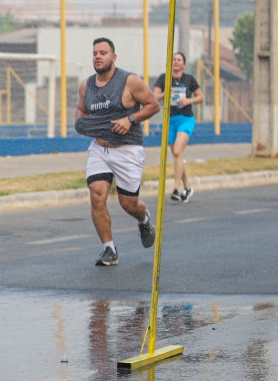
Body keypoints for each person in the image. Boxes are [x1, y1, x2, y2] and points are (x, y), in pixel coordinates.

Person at [74, 38, 162, 267]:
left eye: (103, 52)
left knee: (128, 204)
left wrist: (130, 119)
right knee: (97, 194)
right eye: (95, 53)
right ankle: (109, 249)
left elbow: (153, 105)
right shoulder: (86, 86)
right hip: (100, 148)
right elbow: (81, 112)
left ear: (113, 57)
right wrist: (86, 126)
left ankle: (143, 219)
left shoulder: (129, 81)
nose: (98, 56)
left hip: (128, 149)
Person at [152, 52, 203, 202]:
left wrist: (188, 101)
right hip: (170, 120)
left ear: (184, 64)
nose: (176, 62)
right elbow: (154, 97)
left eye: (179, 60)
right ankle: (187, 187)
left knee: (178, 151)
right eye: (174, 59)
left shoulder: (189, 79)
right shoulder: (164, 78)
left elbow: (200, 97)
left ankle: (176, 188)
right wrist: (165, 94)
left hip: (186, 119)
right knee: (177, 155)